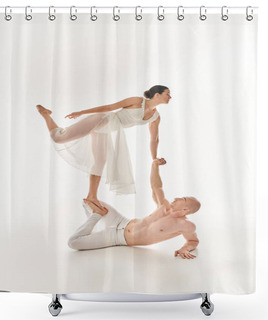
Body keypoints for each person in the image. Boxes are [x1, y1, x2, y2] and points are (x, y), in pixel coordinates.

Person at [36, 85, 172, 210]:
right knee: (59, 138)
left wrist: (154, 158)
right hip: (101, 120)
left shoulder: (155, 117)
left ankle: (92, 196)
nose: (170, 97)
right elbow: (109, 107)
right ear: (157, 95)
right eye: (167, 94)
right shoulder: (137, 101)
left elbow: (154, 139)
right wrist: (82, 112)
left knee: (100, 162)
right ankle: (46, 114)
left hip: (105, 130)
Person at [68, 158, 200, 259]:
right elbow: (156, 187)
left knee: (73, 243)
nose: (176, 198)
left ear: (185, 210)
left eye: (182, 199)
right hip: (120, 221)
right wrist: (154, 165)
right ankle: (95, 225)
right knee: (88, 201)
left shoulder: (186, 225)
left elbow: (193, 240)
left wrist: (185, 249)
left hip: (117, 238)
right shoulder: (164, 207)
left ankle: (97, 216)